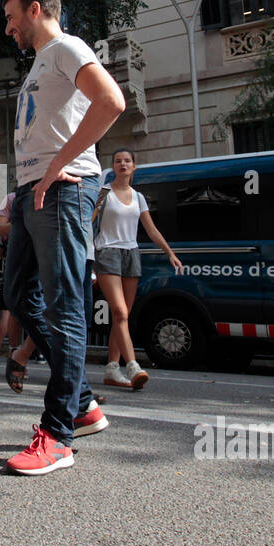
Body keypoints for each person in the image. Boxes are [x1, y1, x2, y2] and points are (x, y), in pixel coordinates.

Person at [0, 0, 124, 475]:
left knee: (64, 303)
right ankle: (84, 402)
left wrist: (58, 165)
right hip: (34, 191)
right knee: (17, 293)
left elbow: (110, 101)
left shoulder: (67, 46)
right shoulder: (40, 62)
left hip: (65, 189)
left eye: (11, 17)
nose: (7, 28)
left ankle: (57, 435)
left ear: (35, 10)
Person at [93, 149, 183, 389]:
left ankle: (112, 369)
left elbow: (151, 229)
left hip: (131, 253)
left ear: (134, 166)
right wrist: (97, 203)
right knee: (120, 312)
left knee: (122, 316)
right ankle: (132, 365)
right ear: (113, 166)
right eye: (118, 161)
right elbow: (88, 220)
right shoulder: (104, 192)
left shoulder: (138, 197)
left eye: (127, 161)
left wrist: (170, 253)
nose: (122, 164)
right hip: (107, 252)